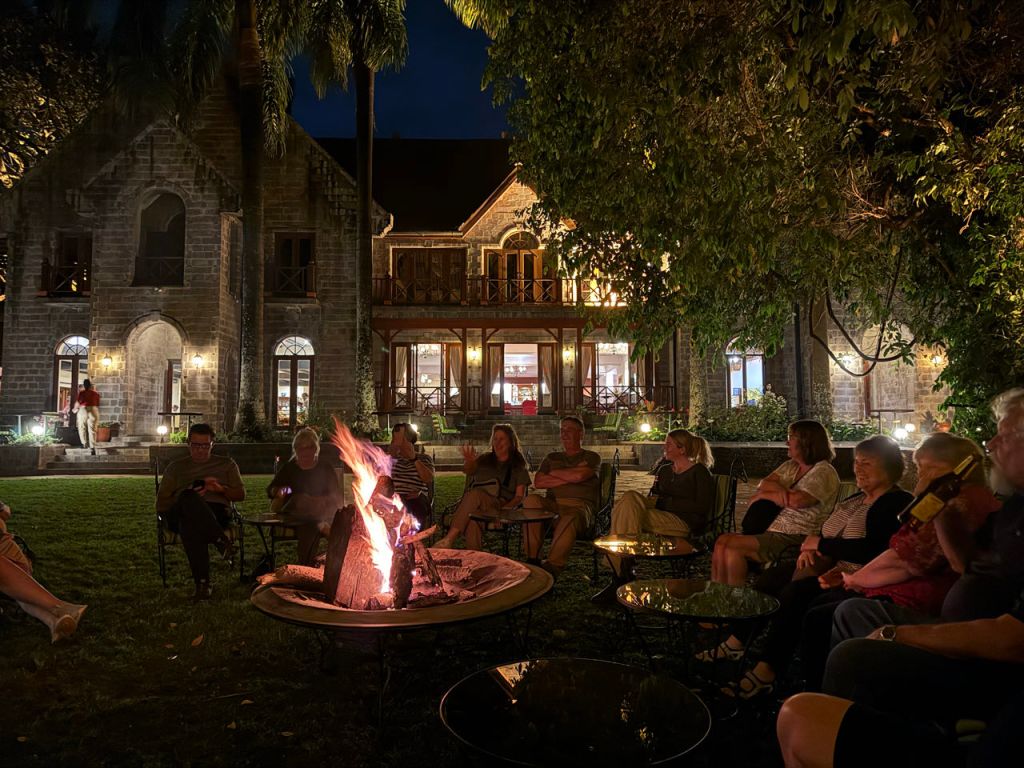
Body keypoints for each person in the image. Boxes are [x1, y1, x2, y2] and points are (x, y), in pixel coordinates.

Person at [776, 388, 1024, 768]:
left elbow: (915, 561)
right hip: (954, 623)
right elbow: (969, 567)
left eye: (1006, 435)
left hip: (971, 652)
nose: (991, 444)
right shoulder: (1006, 511)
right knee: (816, 600)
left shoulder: (969, 502)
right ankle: (821, 701)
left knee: (838, 628)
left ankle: (832, 713)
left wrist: (891, 624)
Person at [792, 432, 999, 690]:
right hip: (886, 583)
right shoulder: (954, 501)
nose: (921, 476)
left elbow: (907, 559)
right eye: (919, 469)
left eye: (925, 469)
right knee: (807, 596)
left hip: (919, 599)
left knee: (825, 612)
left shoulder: (955, 503)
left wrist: (853, 579)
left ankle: (824, 692)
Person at [707, 436, 911, 697]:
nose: (858, 469)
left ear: (890, 467)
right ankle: (738, 640)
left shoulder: (895, 503)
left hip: (855, 575)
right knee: (769, 580)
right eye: (857, 462)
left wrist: (821, 545)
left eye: (867, 463)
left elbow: (874, 549)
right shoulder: (856, 499)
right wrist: (810, 548)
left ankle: (768, 669)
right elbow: (825, 532)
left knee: (794, 594)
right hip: (824, 562)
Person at [710, 420, 839, 587]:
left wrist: (767, 495)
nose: (787, 442)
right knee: (722, 541)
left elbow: (798, 501)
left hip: (795, 536)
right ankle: (718, 593)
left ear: (806, 442)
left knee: (733, 546)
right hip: (769, 530)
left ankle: (734, 596)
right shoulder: (790, 466)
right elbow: (763, 484)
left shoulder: (824, 471)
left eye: (791, 438)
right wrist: (779, 492)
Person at [596, 429, 715, 597]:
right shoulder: (665, 470)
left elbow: (702, 506)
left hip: (682, 522)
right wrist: (655, 501)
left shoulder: (699, 472)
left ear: (682, 449)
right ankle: (622, 571)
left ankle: (620, 573)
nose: (664, 447)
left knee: (625, 510)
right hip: (659, 516)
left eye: (668, 444)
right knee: (629, 499)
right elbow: (654, 495)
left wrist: (666, 503)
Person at [156, 423, 245, 600]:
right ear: (188, 444)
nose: (200, 450)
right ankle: (221, 541)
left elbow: (241, 495)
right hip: (178, 512)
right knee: (188, 497)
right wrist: (186, 493)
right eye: (196, 445)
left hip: (215, 512)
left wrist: (220, 489)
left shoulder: (226, 464)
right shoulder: (176, 467)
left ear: (212, 444)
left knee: (190, 524)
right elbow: (161, 503)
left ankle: (203, 585)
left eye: (205, 445)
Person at [521, 416, 601, 578]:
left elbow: (580, 476)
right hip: (553, 506)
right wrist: (570, 474)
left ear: (581, 434)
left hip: (580, 508)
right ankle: (533, 558)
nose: (564, 434)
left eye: (569, 430)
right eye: (562, 430)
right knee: (531, 500)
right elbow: (539, 482)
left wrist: (553, 473)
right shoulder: (552, 457)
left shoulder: (591, 457)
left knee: (569, 517)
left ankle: (552, 567)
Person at [0, 500, 87, 642]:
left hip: (4, 547)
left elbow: (5, 512)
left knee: (18, 583)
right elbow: (5, 512)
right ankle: (60, 607)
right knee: (12, 580)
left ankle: (52, 621)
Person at [435, 424, 532, 550]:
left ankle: (449, 539)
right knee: (473, 519)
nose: (497, 442)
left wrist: (504, 511)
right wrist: (469, 461)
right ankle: (474, 556)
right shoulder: (485, 459)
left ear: (510, 442)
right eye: (495, 439)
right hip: (476, 505)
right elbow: (468, 471)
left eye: (501, 439)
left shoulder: (517, 466)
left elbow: (519, 496)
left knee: (475, 494)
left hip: (498, 504)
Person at [266, 428, 343, 565]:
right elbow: (270, 490)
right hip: (294, 514)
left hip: (318, 512)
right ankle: (323, 529)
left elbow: (335, 496)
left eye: (309, 448)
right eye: (301, 448)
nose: (305, 452)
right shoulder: (290, 468)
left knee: (310, 523)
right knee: (301, 501)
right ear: (296, 450)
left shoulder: (325, 468)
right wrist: (279, 491)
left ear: (315, 449)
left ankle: (305, 565)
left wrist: (318, 501)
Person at [387, 423, 434, 526]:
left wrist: (414, 459)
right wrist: (389, 458)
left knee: (414, 505)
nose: (397, 443)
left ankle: (411, 533)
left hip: (416, 500)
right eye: (394, 439)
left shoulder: (423, 458)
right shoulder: (392, 460)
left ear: (410, 440)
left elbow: (429, 479)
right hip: (395, 500)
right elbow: (381, 480)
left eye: (401, 439)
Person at [74, 378, 101, 454]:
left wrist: (75, 408)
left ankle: (84, 444)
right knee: (92, 429)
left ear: (84, 385)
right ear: (90, 385)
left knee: (82, 427)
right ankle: (92, 447)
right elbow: (98, 404)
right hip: (94, 409)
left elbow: (78, 402)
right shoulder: (96, 394)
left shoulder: (82, 393)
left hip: (84, 409)